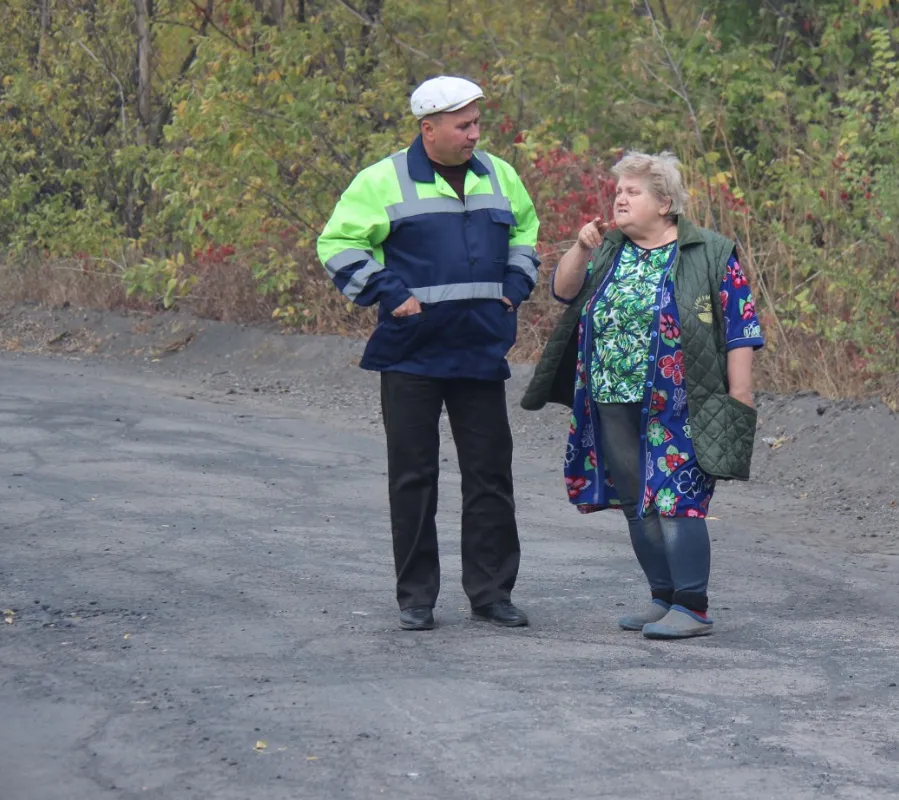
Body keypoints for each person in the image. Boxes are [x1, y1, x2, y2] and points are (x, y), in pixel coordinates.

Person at [317, 75, 540, 632]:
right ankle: (416, 598)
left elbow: (526, 233)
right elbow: (337, 244)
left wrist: (516, 285)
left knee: (490, 476)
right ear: (429, 128)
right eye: (463, 125)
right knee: (413, 477)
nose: (474, 134)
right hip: (411, 353)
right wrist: (390, 294)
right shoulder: (382, 179)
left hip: (480, 349)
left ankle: (491, 593)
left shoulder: (499, 174)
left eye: (476, 123)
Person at [521, 151, 763, 640]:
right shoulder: (609, 248)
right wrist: (581, 249)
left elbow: (740, 327)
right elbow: (564, 292)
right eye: (618, 192)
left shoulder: (710, 252)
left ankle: (693, 606)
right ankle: (663, 597)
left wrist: (740, 395)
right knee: (637, 500)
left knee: (677, 499)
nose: (621, 199)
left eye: (633, 192)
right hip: (611, 394)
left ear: (666, 203)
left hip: (682, 398)